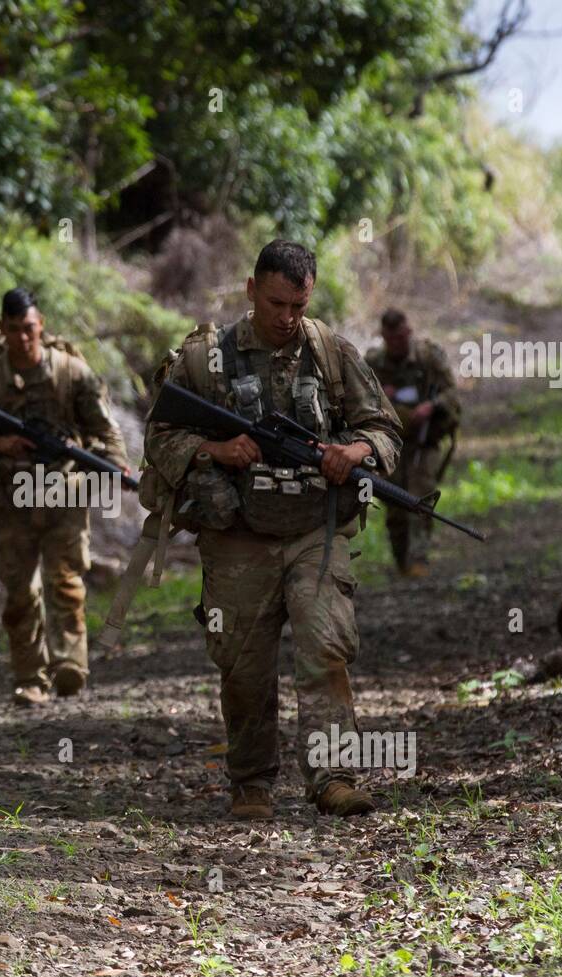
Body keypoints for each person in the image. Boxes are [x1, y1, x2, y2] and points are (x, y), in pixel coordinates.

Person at [144, 241, 402, 819]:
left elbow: (386, 430)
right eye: (276, 302)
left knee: (325, 649)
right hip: (238, 533)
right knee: (244, 664)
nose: (287, 317)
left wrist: (353, 451)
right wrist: (215, 447)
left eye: (299, 304)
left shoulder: (331, 353)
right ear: (251, 289)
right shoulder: (206, 359)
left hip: (317, 527)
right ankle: (252, 782)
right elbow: (158, 438)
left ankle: (334, 775)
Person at [0, 288, 128, 706]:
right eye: (14, 330)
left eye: (30, 329)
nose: (22, 338)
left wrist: (115, 466)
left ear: (42, 326)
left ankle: (70, 664)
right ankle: (30, 677)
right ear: (2, 329)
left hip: (64, 494)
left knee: (66, 581)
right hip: (10, 499)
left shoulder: (71, 373)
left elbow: (105, 431)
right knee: (20, 592)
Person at [363, 309, 461, 577]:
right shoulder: (373, 362)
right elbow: (353, 396)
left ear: (409, 332)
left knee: (420, 496)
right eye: (391, 339)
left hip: (424, 440)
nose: (398, 344)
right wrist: (381, 394)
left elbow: (452, 392)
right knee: (394, 503)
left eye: (402, 337)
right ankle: (401, 560)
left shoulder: (429, 356)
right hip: (389, 443)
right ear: (384, 337)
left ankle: (419, 559)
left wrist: (431, 406)